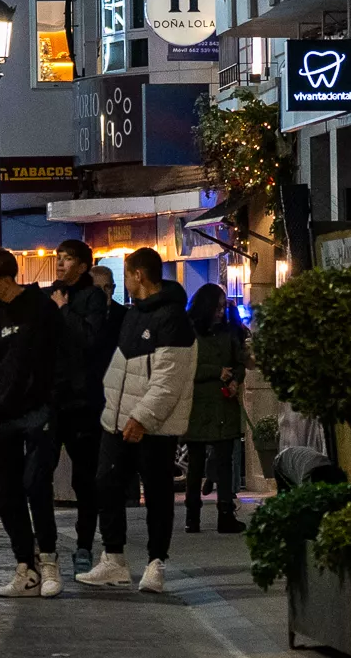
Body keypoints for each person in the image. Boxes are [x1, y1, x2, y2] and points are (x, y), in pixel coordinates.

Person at [76, 248, 194, 593]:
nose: (125, 281)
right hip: (116, 420)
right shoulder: (133, 314)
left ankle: (156, 563)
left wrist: (142, 417)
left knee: (157, 493)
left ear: (138, 275)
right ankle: (113, 559)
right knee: (106, 484)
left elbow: (169, 377)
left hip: (153, 425)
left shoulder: (173, 317)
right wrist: (113, 410)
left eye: (127, 274)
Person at [0, 247, 65, 598]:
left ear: (6, 280)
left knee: (36, 484)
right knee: (7, 493)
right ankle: (25, 566)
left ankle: (50, 559)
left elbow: (59, 359)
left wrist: (52, 403)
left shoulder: (41, 309)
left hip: (37, 410)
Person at [45, 239, 120, 575]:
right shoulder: (52, 292)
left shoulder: (91, 298)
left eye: (67, 258)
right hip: (53, 397)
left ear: (82, 264)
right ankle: (44, 548)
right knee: (38, 473)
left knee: (85, 478)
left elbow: (89, 341)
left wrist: (63, 311)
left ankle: (85, 544)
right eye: (58, 258)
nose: (60, 264)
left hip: (83, 400)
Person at [183, 282, 248, 534]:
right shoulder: (189, 333)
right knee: (196, 462)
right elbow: (185, 368)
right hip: (199, 402)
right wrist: (215, 372)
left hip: (224, 403)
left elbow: (240, 362)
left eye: (223, 307)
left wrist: (235, 379)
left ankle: (225, 512)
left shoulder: (229, 332)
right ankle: (192, 514)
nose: (221, 312)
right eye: (217, 307)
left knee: (224, 461)